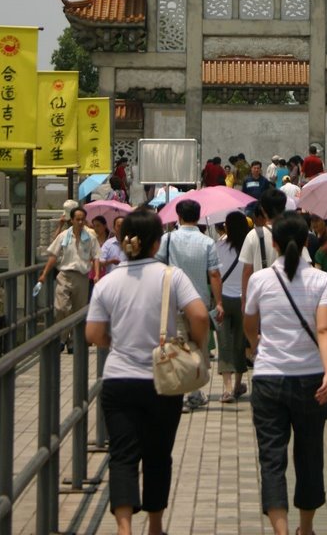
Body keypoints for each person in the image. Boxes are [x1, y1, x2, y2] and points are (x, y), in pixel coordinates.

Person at [86, 210, 209, 535]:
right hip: (163, 380)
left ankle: (124, 528)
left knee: (123, 454)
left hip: (119, 380)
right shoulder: (172, 276)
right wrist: (196, 344)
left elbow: (93, 335)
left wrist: (117, 341)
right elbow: (199, 315)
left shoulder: (107, 283)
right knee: (158, 455)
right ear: (156, 243)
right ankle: (155, 526)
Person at [244, 212, 327, 535]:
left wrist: (256, 346)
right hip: (311, 379)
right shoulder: (321, 279)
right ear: (308, 240)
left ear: (274, 243)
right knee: (309, 455)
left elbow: (250, 325)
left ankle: (281, 531)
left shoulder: (260, 280)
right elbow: (325, 328)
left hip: (268, 378)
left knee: (271, 458)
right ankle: (306, 528)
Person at [157, 199, 224, 410]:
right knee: (199, 347)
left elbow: (157, 265)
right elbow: (214, 274)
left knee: (177, 345)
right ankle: (194, 392)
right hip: (199, 304)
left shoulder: (167, 239)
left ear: (178, 216)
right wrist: (219, 302)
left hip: (172, 302)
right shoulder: (207, 242)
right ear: (199, 216)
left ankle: (180, 393)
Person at [39, 205, 101, 353]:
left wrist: (97, 275)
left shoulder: (90, 237)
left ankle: (72, 342)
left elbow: (96, 257)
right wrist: (44, 274)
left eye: (82, 219)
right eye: (77, 219)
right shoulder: (63, 236)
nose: (80, 222)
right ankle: (62, 337)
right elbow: (53, 256)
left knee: (78, 311)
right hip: (65, 275)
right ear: (72, 220)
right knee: (61, 308)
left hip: (82, 276)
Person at [215, 210, 250, 402]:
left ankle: (227, 389)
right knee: (239, 343)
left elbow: (213, 273)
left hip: (223, 299)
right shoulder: (249, 245)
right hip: (244, 300)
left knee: (224, 344)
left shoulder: (218, 246)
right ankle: (237, 385)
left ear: (226, 226)